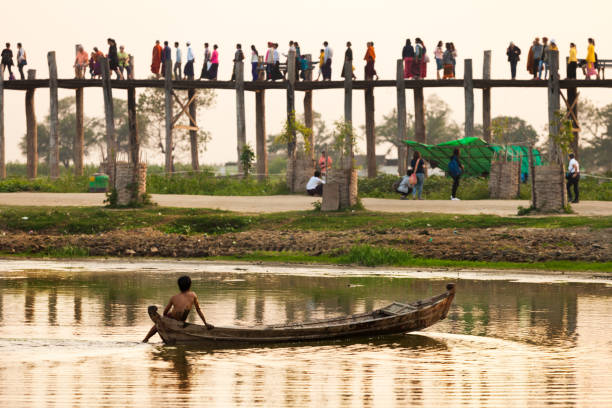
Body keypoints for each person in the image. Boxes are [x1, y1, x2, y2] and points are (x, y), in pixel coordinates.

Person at [142, 275, 213, 343]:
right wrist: (205, 323)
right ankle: (147, 338)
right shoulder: (193, 295)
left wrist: (169, 315)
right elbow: (198, 310)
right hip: (181, 320)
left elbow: (165, 312)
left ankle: (146, 339)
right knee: (159, 322)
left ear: (179, 286)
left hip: (173, 318)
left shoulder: (174, 297)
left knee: (158, 323)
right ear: (190, 285)